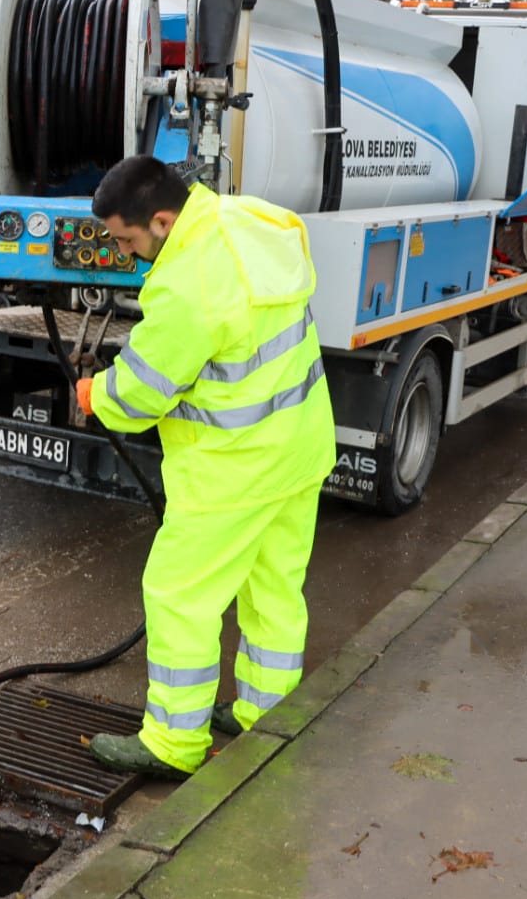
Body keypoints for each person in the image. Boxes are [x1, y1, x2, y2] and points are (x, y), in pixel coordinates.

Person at [76, 155, 336, 780]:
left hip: (232, 472)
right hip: (299, 448)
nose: (124, 253)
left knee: (179, 595)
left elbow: (141, 395)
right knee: (274, 591)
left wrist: (94, 395)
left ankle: (174, 742)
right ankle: (264, 714)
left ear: (163, 221)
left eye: (127, 240)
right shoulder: (253, 220)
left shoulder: (187, 283)